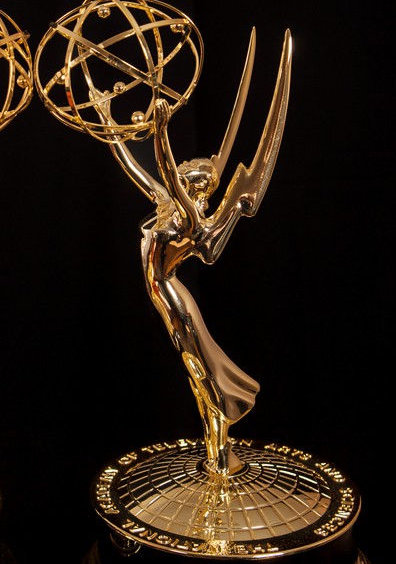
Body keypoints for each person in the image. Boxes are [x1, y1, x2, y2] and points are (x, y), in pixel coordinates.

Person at [92, 28, 292, 474]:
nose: (181, 169)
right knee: (197, 376)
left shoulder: (188, 216)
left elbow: (163, 164)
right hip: (165, 297)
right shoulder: (168, 205)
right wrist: (106, 120)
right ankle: (218, 449)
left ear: (196, 186)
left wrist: (162, 130)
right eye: (183, 167)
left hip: (173, 300)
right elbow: (134, 166)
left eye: (188, 171)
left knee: (201, 375)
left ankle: (220, 452)